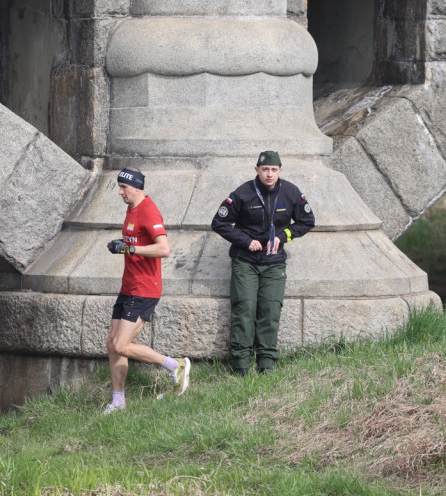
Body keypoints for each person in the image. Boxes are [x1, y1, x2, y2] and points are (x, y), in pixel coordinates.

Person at [210, 151, 315, 376]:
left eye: (273, 170)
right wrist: (246, 241)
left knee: (270, 311)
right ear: (257, 170)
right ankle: (240, 366)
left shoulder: (291, 192)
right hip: (245, 262)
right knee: (244, 309)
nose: (269, 174)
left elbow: (307, 221)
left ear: (280, 171)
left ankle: (266, 366)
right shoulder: (243, 193)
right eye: (265, 169)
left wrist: (283, 235)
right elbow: (219, 222)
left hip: (274, 262)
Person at [103, 168, 190, 413]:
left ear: (137, 187)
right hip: (128, 286)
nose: (120, 192)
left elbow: (164, 249)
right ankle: (118, 402)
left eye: (124, 187)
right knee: (112, 343)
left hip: (144, 289)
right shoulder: (131, 208)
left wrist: (130, 250)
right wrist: (122, 247)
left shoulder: (148, 210)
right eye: (118, 187)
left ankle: (176, 365)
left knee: (121, 345)